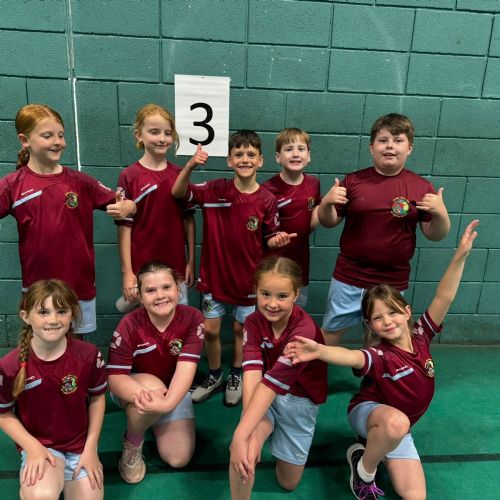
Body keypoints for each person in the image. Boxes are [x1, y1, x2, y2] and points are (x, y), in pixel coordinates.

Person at [285, 220, 479, 500]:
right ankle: (364, 470)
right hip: (369, 414)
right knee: (396, 423)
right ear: (370, 325)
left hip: (399, 429)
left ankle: (368, 446)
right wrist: (319, 350)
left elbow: (444, 296)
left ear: (407, 311)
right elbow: (351, 356)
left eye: (393, 312)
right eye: (377, 317)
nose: (387, 321)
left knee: (415, 496)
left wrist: (460, 256)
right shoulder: (381, 355)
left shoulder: (422, 335)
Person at [172, 130, 295, 407]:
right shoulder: (214, 189)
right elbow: (178, 192)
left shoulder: (267, 200)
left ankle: (235, 375)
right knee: (211, 330)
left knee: (241, 331)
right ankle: (215, 375)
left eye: (251, 154)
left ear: (261, 160)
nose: (245, 159)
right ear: (229, 160)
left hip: (248, 282)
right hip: (214, 278)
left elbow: (269, 238)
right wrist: (190, 165)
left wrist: (276, 241)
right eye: (238, 154)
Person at [0, 104, 135, 336]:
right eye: (48, 136)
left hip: (78, 285)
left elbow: (128, 205)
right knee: (42, 345)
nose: (58, 142)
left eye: (61, 135)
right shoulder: (12, 185)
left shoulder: (81, 183)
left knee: (77, 345)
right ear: (24, 140)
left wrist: (128, 206)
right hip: (37, 287)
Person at [318, 113, 450, 346]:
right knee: (330, 333)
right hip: (349, 276)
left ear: (409, 148)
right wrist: (326, 204)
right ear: (372, 147)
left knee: (382, 340)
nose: (390, 146)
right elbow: (328, 222)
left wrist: (441, 213)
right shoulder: (353, 181)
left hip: (392, 280)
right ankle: (313, 370)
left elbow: (434, 234)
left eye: (398, 140)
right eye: (383, 140)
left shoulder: (421, 187)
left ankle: (376, 370)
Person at [229, 256, 327, 499]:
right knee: (244, 449)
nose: (272, 304)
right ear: (256, 291)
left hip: (300, 400)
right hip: (266, 394)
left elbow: (271, 385)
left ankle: (272, 435)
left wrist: (241, 432)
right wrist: (246, 432)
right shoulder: (252, 322)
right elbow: (252, 374)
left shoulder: (304, 331)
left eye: (282, 296)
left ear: (296, 294)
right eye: (265, 294)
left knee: (288, 483)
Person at [0, 280, 107, 499]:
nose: (53, 320)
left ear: (72, 314)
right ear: (26, 316)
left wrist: (90, 449)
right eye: (43, 312)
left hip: (79, 446)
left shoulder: (88, 355)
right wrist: (32, 447)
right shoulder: (10, 365)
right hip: (42, 445)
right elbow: (3, 414)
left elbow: (97, 399)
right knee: (42, 495)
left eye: (62, 311)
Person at [106, 261, 205, 484]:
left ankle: (152, 416)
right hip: (135, 387)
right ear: (140, 297)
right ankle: (132, 443)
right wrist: (157, 400)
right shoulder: (129, 325)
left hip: (173, 390)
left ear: (178, 290)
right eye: (150, 290)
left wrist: (168, 404)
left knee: (178, 458)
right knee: (153, 391)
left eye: (166, 287)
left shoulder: (193, 318)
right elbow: (115, 379)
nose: (160, 295)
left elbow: (186, 369)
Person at [115, 103, 197, 313]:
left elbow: (188, 219)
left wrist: (190, 261)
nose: (162, 138)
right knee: (146, 322)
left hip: (176, 268)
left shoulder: (179, 174)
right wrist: (127, 272)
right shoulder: (129, 176)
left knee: (178, 320)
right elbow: (124, 227)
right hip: (142, 268)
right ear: (139, 135)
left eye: (167, 133)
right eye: (154, 132)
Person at [263, 128, 320, 307]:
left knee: (296, 311)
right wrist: (274, 239)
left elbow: (312, 220)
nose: (295, 154)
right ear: (278, 157)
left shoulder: (314, 184)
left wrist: (327, 203)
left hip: (301, 263)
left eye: (301, 149)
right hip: (273, 264)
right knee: (272, 310)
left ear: (308, 155)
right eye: (288, 149)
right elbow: (260, 233)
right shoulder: (267, 189)